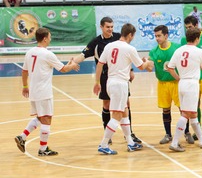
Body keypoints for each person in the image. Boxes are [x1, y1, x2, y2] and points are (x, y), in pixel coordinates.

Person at [73, 17, 142, 144]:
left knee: (126, 104)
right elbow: (82, 55)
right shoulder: (96, 42)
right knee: (107, 105)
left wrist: (131, 70)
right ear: (101, 27)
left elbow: (127, 56)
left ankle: (129, 134)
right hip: (105, 77)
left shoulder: (118, 37)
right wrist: (72, 63)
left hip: (121, 76)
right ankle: (107, 135)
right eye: (107, 27)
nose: (110, 29)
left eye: (111, 27)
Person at [14, 27, 80, 156]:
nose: (50, 39)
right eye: (49, 37)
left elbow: (24, 71)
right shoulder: (47, 54)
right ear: (44, 39)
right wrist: (72, 65)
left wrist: (25, 86)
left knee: (40, 117)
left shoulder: (30, 52)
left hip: (33, 91)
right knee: (47, 119)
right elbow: (63, 69)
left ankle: (22, 137)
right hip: (43, 92)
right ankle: (43, 150)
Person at [94, 23, 153, 155]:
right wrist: (148, 61)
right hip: (120, 84)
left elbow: (100, 64)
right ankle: (103, 144)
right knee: (116, 115)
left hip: (110, 82)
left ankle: (130, 142)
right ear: (130, 35)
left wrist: (97, 82)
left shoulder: (110, 46)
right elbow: (142, 67)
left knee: (124, 112)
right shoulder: (129, 48)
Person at [148, 25, 194, 145]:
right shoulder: (154, 51)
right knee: (165, 109)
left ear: (166, 36)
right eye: (155, 36)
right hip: (163, 84)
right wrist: (145, 63)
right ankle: (168, 134)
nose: (157, 38)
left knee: (183, 109)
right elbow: (150, 66)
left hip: (176, 83)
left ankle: (187, 132)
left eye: (159, 36)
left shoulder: (176, 48)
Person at [167, 28, 202, 152]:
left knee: (192, 113)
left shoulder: (178, 50)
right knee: (186, 114)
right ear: (197, 38)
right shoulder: (200, 51)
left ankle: (201, 140)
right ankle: (175, 143)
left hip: (182, 83)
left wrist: (179, 78)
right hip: (192, 84)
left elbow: (170, 68)